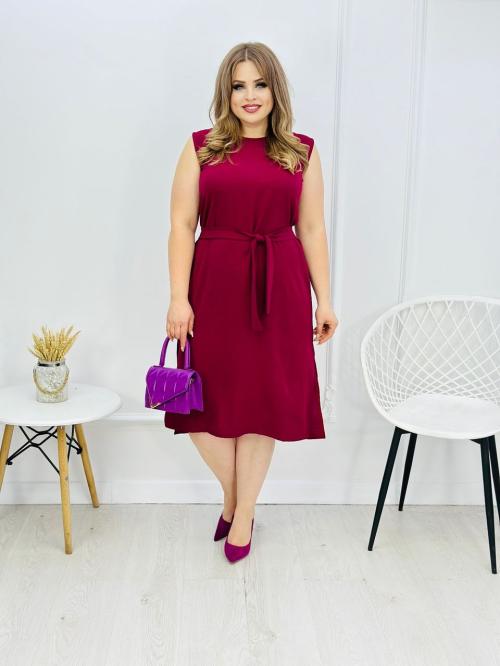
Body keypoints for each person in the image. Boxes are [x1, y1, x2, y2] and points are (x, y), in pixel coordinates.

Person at [164, 42, 339, 563]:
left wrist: (325, 300)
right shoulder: (201, 148)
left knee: (262, 405)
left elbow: (312, 229)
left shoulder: (301, 151)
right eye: (238, 85)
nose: (250, 95)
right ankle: (236, 497)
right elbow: (181, 225)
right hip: (213, 286)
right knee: (198, 405)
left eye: (259, 84)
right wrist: (178, 298)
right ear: (226, 92)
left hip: (279, 288)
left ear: (275, 89)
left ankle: (243, 515)